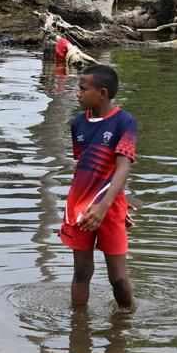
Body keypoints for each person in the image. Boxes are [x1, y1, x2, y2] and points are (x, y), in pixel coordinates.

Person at [61, 64, 137, 310]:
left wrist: (110, 204)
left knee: (118, 277)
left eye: (83, 88)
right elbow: (83, 166)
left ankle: (125, 321)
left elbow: (123, 166)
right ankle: (79, 331)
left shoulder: (124, 122)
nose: (77, 93)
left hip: (109, 208)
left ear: (102, 93)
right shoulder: (76, 124)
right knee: (81, 272)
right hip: (80, 207)